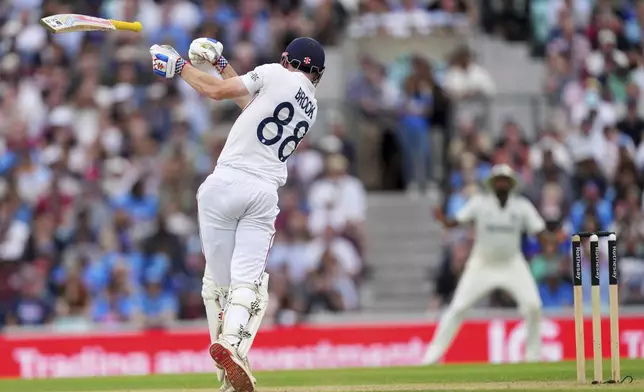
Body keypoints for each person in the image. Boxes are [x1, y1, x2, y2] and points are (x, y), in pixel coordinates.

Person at [148, 37, 325, 392]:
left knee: (218, 286)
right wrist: (220, 62)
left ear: (286, 58)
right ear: (317, 74)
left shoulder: (275, 72)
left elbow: (216, 93)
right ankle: (231, 349)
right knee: (248, 286)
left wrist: (179, 67)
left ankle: (227, 370)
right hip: (262, 194)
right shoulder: (311, 106)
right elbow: (251, 104)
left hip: (222, 185)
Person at [422, 164, 546, 365]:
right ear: (492, 183)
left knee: (533, 306)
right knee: (458, 308)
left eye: (505, 180)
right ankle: (431, 358)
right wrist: (444, 220)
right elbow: (456, 222)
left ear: (511, 183)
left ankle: (533, 358)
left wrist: (553, 238)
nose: (502, 183)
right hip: (482, 264)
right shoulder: (479, 203)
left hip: (512, 263)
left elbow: (540, 232)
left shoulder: (521, 205)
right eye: (498, 180)